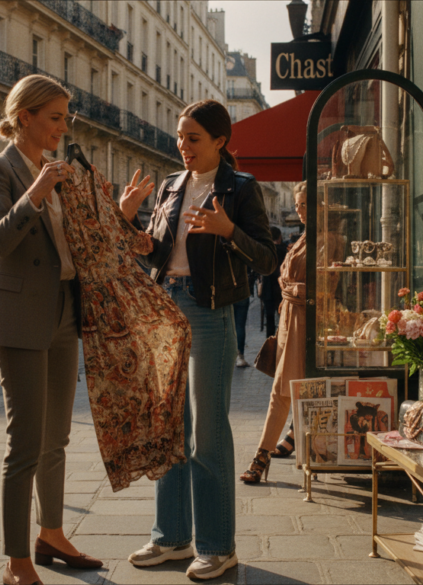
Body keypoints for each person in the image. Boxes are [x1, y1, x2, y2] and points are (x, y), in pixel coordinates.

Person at [121, 99, 277, 580]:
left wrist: (228, 230)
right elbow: (151, 253)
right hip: (165, 306)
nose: (182, 147)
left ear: (219, 142)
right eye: (179, 138)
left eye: (192, 138)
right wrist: (127, 221)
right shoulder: (170, 186)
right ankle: (170, 537)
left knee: (207, 431)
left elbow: (267, 259)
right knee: (170, 428)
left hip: (211, 313)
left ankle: (217, 545)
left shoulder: (241, 189)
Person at [0, 74, 100, 585]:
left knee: (57, 438)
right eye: (54, 117)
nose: (62, 126)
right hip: (19, 316)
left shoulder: (60, 170)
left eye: (65, 117)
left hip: (64, 313)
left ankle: (51, 534)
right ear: (24, 117)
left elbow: (73, 244)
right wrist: (38, 190)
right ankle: (16, 561)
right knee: (24, 441)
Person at [240, 182, 309, 483]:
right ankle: (291, 436)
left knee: (281, 392)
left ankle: (261, 456)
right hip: (290, 320)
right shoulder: (307, 236)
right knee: (287, 389)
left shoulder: (327, 237)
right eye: (296, 202)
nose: (298, 208)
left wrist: (290, 289)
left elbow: (328, 285)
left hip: (305, 322)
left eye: (304, 202)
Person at [260, 227, 288, 337]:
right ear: (280, 237)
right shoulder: (285, 250)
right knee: (283, 316)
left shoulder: (265, 251)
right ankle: (283, 339)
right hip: (281, 288)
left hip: (268, 288)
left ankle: (270, 341)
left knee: (270, 318)